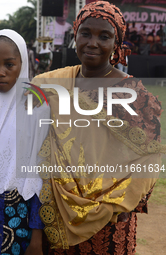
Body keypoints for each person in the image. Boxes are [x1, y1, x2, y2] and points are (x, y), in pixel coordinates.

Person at [31, 1, 163, 254]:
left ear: (117, 44)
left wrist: (114, 206)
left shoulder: (134, 94)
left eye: (104, 36)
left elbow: (149, 160)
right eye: (86, 33)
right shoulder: (51, 83)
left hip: (109, 222)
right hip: (56, 216)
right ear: (75, 36)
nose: (93, 42)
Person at [0, 29, 50, 255]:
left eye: (9, 64)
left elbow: (39, 171)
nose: (0, 72)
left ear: (22, 64)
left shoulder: (36, 104)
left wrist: (36, 233)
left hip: (17, 210)